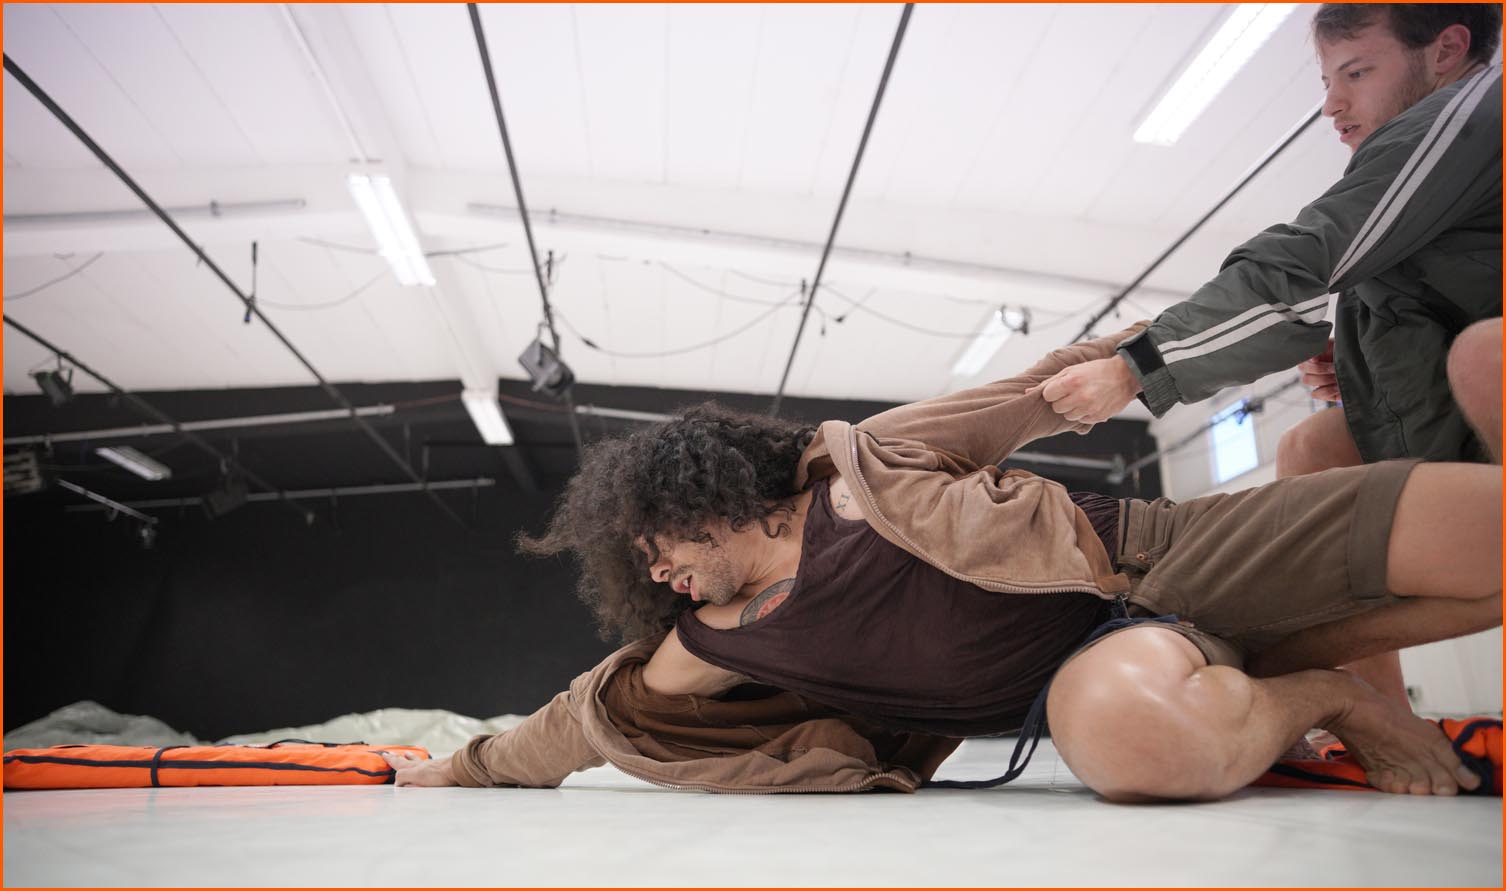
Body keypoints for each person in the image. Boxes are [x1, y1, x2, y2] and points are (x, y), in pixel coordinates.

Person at [382, 323, 1501, 801]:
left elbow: (1041, 391)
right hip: (1099, 675)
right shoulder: (711, 641)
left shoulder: (867, 462)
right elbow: (582, 719)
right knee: (1129, 739)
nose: (658, 576)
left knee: (1488, 539)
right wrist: (455, 770)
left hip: (1162, 557)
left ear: (704, 502)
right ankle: (1325, 695)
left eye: (656, 547)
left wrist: (1180, 350)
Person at [1034, 3, 1503, 707]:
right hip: (1468, 422)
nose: (1331, 105)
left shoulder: (1475, 111)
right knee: (1313, 450)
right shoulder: (1436, 165)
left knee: (1486, 355)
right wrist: (1361, 366)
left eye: (1356, 73)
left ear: (1446, 50)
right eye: (1327, 81)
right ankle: (1372, 716)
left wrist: (1138, 366)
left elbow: (1312, 253)